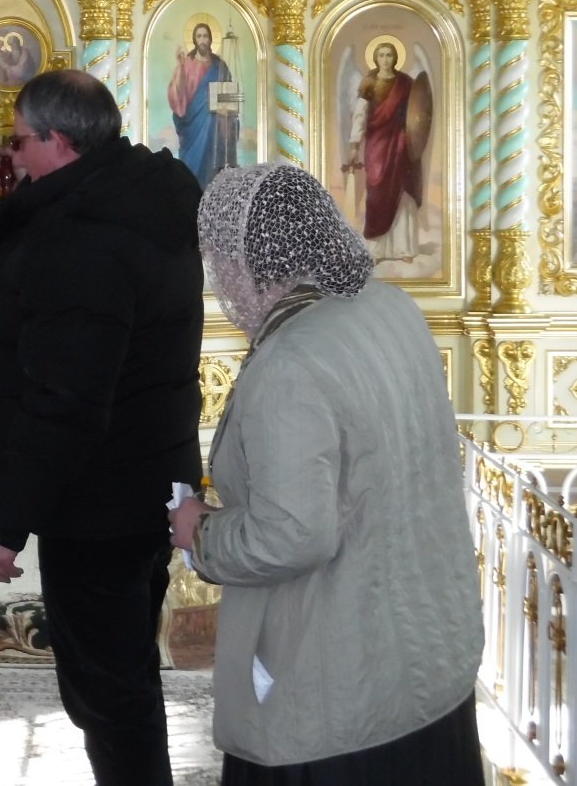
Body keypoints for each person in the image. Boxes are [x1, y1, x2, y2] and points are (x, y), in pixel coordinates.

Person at [169, 163, 483, 785]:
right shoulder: (389, 308)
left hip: (336, 693)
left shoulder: (291, 362)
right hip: (424, 663)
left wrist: (200, 532)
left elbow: (292, 535)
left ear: (250, 259)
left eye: (220, 259)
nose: (219, 278)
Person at [0, 69, 205, 786]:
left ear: (60, 140)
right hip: (139, 487)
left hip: (100, 502)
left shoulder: (87, 236)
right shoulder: (138, 203)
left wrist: (5, 522)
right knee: (122, 683)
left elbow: (68, 399)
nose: (11, 158)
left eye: (19, 142)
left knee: (107, 695)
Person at [346, 40, 422, 261]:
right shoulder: (369, 82)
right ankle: (377, 249)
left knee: (403, 193)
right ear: (376, 58)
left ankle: (403, 248)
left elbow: (417, 114)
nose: (386, 59)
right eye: (382, 55)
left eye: (390, 55)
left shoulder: (406, 83)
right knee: (378, 193)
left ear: (396, 58)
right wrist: (354, 145)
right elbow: (360, 115)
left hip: (402, 144)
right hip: (377, 144)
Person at [168, 21, 238, 190]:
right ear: (194, 39)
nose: (202, 40)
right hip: (192, 126)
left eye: (205, 36)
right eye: (199, 36)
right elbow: (178, 94)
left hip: (216, 128)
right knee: (192, 172)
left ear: (210, 39)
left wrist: (225, 111)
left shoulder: (220, 66)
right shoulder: (187, 64)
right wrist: (180, 66)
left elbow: (228, 96)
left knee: (214, 169)